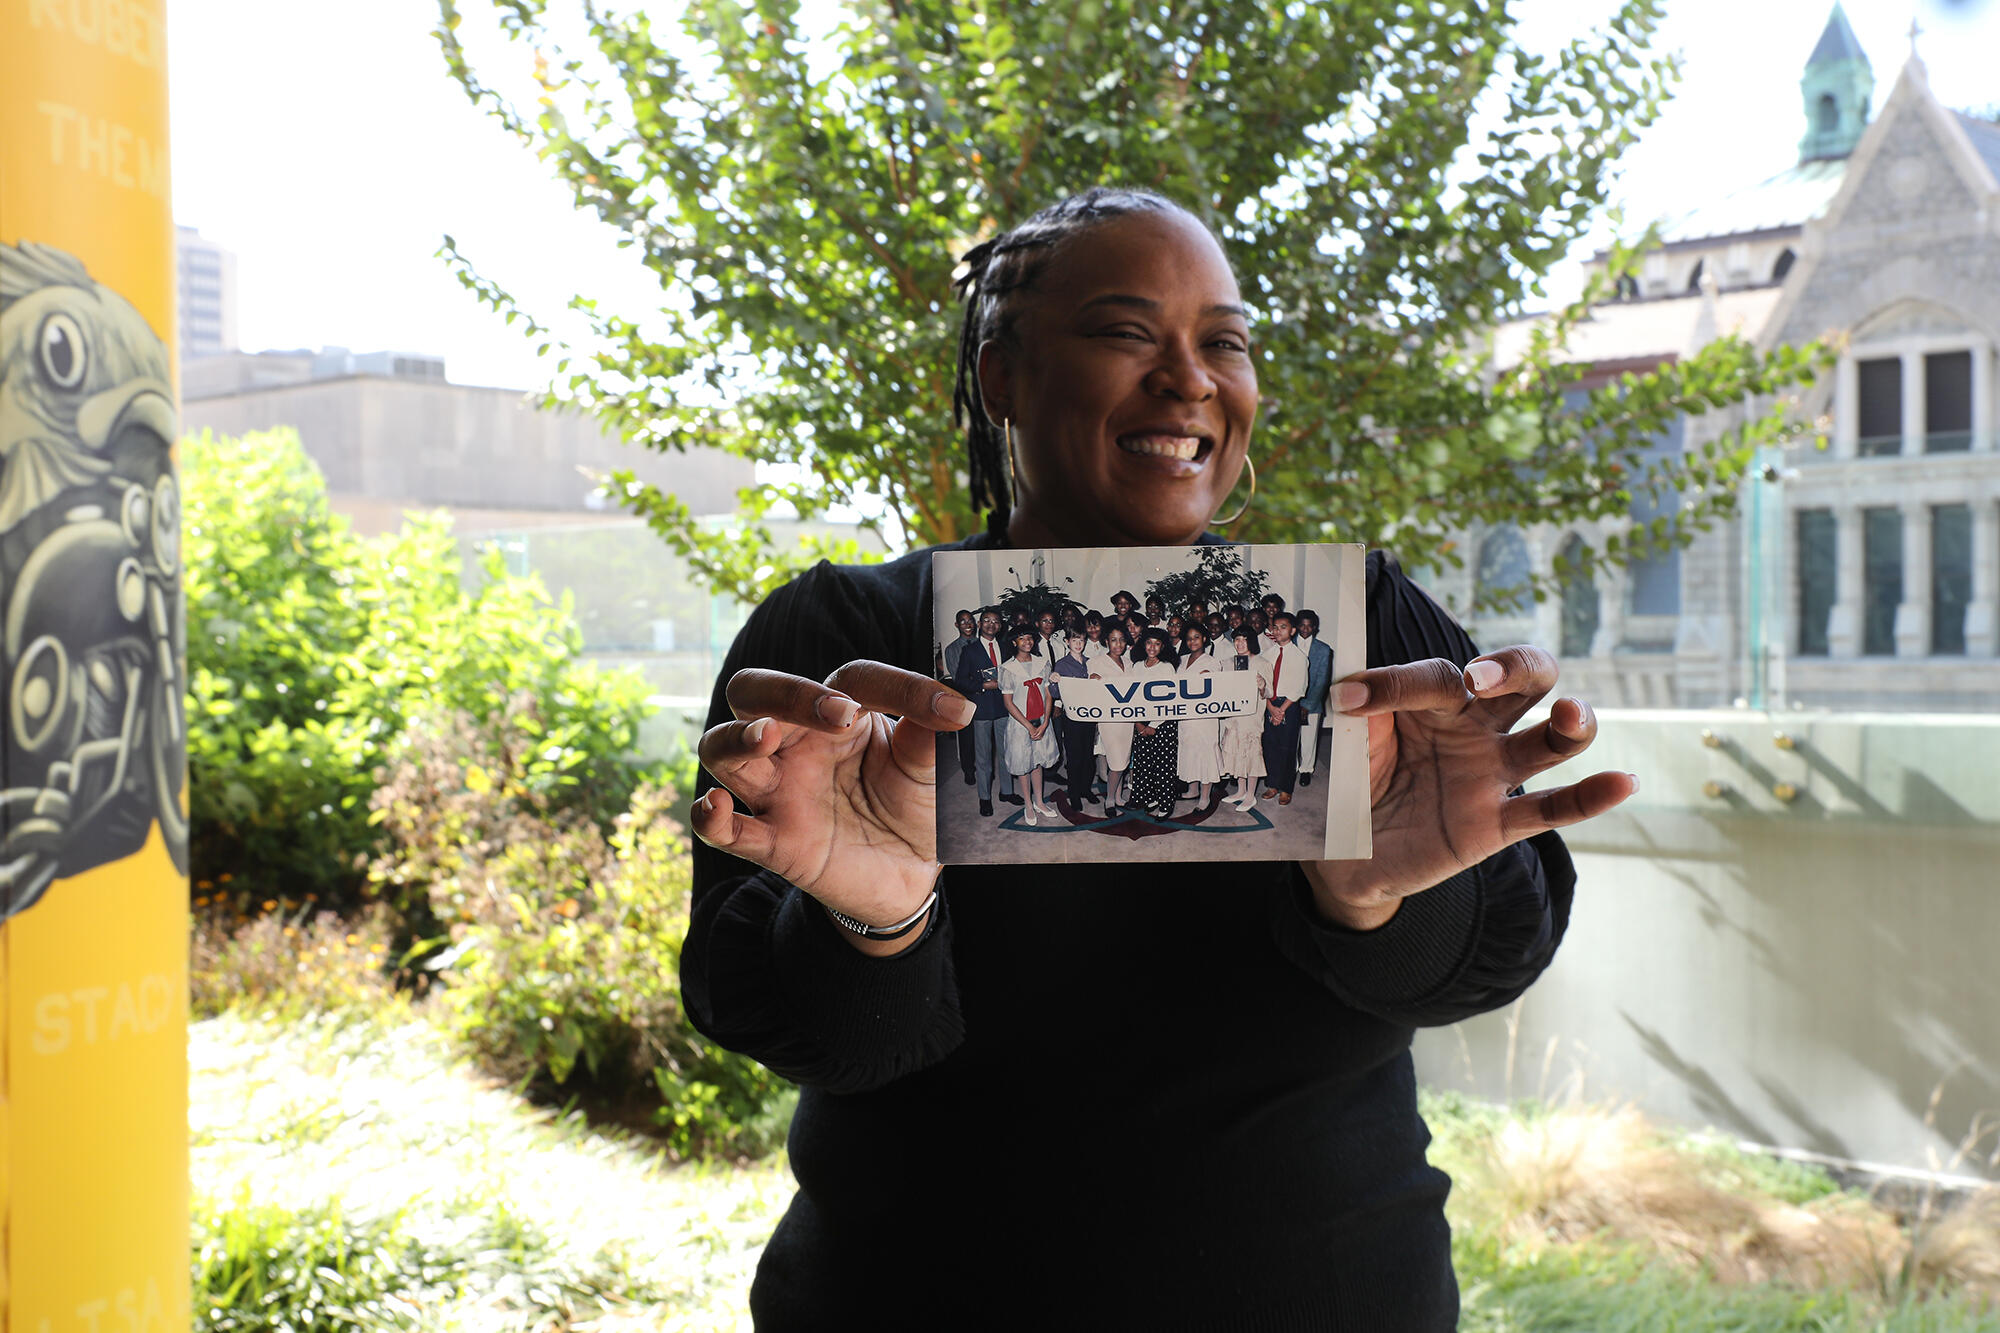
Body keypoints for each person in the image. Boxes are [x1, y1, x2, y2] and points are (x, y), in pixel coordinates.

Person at [686, 186, 1630, 1329]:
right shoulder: (852, 650)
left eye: (1221, 342)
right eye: (1126, 332)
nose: (1189, 378)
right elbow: (782, 1021)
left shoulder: (1363, 631)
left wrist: (1381, 898)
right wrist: (874, 922)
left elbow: (1482, 964)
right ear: (999, 377)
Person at [948, 607, 1017, 815]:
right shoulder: (969, 650)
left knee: (1006, 753)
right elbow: (960, 681)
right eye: (986, 620)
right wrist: (982, 686)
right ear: (980, 624)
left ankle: (1006, 791)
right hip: (981, 709)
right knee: (983, 756)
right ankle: (984, 797)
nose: (991, 624)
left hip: (1004, 707)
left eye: (995, 621)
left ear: (1000, 626)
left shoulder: (1006, 648)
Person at [998, 623, 1059, 824]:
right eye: (1022, 638)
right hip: (1020, 724)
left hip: (1042, 721)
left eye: (1030, 638)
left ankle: (1039, 801)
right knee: (1024, 763)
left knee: (1038, 761)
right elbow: (1008, 702)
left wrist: (1045, 722)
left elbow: (1048, 695)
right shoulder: (1008, 668)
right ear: (1015, 642)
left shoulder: (1043, 663)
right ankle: (1027, 803)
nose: (1027, 642)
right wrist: (1029, 726)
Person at [1126, 626, 1182, 819]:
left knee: (1164, 766)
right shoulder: (1137, 666)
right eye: (1149, 642)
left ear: (1163, 646)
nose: (1152, 647)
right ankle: (1150, 799)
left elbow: (1170, 700)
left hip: (1162, 723)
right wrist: (1138, 724)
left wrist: (1154, 725)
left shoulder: (1166, 667)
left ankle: (1166, 803)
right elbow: (1131, 697)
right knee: (1144, 763)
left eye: (1157, 644)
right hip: (1140, 721)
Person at [1217, 626, 1270, 812]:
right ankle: (1240, 791)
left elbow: (1268, 693)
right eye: (1236, 640)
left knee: (1251, 755)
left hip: (1252, 718)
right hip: (1233, 717)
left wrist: (1262, 685)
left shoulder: (1262, 663)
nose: (1239, 643)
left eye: (1244, 639)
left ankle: (1250, 795)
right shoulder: (1227, 662)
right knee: (1236, 754)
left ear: (1251, 642)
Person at [1259, 610, 1309, 806]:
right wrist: (1270, 707)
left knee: (1287, 748)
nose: (1278, 631)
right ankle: (1272, 784)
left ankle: (1286, 788)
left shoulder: (1299, 657)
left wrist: (1281, 710)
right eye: (1275, 627)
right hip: (1269, 703)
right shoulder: (1267, 654)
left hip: (1289, 705)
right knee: (1270, 746)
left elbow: (1300, 687)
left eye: (1283, 627)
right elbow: (1261, 682)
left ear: (1293, 630)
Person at [1174, 623, 1224, 811]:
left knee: (1205, 753)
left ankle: (1205, 796)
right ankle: (1192, 789)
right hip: (1185, 717)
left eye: (1196, 637)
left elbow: (1216, 688)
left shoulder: (1212, 662)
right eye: (1189, 638)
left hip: (1204, 718)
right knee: (1189, 750)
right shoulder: (1181, 660)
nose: (1192, 641)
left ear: (1204, 639)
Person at [1050, 630, 1098, 808]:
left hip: (1090, 716)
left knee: (1088, 756)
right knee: (1074, 756)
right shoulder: (1062, 664)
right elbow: (1055, 693)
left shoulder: (1090, 663)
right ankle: (1074, 793)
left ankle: (1086, 788)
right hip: (1071, 717)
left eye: (1082, 640)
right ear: (1067, 642)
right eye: (1075, 640)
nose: (1078, 643)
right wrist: (1053, 681)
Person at [1092, 623, 1136, 811]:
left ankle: (1118, 797)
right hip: (1109, 721)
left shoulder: (1129, 663)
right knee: (1116, 763)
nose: (1118, 644)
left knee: (1123, 760)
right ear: (1106, 642)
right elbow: (1091, 689)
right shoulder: (1096, 662)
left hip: (1127, 720)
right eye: (1113, 640)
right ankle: (1109, 799)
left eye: (1121, 640)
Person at [1295, 607, 1333, 788]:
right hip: (1289, 702)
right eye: (1301, 625)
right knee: (1290, 737)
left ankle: (1305, 770)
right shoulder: (1287, 644)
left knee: (1309, 738)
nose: (1305, 629)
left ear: (1315, 628)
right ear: (1296, 625)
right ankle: (1292, 766)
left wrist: (1307, 705)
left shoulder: (1323, 650)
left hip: (1312, 702)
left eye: (1309, 626)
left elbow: (1322, 680)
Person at [941, 609, 979, 786]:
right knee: (967, 737)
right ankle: (969, 770)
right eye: (963, 621)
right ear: (957, 625)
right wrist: (980, 683)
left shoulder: (982, 643)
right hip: (966, 698)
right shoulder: (952, 649)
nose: (967, 624)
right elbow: (958, 677)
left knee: (986, 735)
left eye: (970, 620)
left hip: (986, 695)